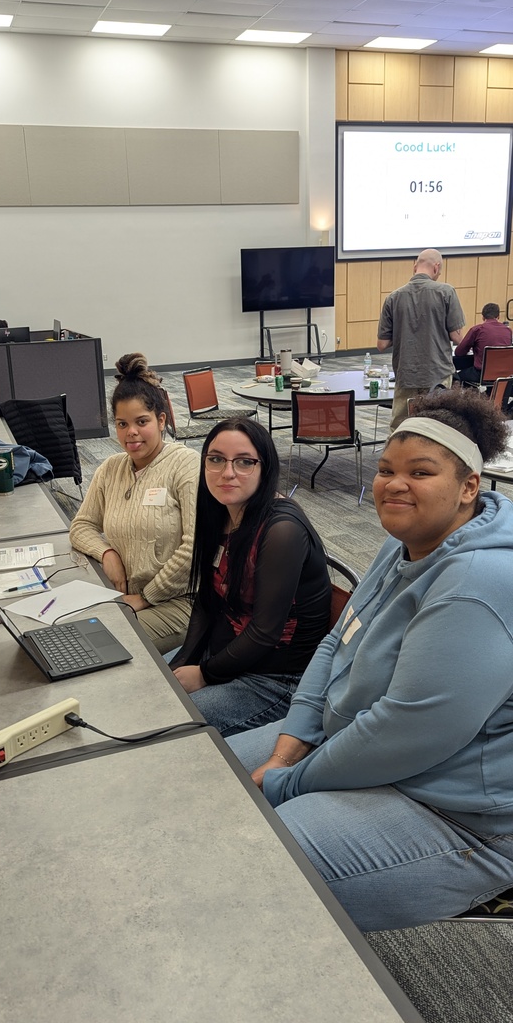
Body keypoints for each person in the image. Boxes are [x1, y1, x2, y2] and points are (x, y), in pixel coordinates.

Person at [227, 388, 513, 932]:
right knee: (208, 780)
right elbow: (338, 642)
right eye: (385, 469)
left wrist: (287, 781)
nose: (394, 485)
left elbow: (408, 729)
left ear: (468, 487)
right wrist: (290, 748)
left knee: (248, 864)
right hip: (359, 740)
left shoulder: (477, 583)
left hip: (457, 811)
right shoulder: (402, 543)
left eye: (421, 472)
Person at [169, 417, 332, 736]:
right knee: (148, 687)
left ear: (264, 467)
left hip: (279, 679)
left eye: (244, 462)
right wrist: (183, 661)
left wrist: (203, 673)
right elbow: (206, 601)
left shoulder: (282, 530)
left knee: (170, 720)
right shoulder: (220, 509)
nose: (227, 473)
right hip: (231, 656)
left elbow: (264, 632)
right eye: (215, 459)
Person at [70, 352, 200, 654]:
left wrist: (148, 596)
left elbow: (195, 547)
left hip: (182, 601)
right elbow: (82, 526)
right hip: (127, 595)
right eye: (122, 424)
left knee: (101, 647)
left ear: (161, 419)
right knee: (74, 630)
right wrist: (107, 553)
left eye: (142, 422)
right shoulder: (112, 468)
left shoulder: (185, 465)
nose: (131, 432)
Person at [377, 248, 465, 431]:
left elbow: (382, 344)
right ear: (436, 267)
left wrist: (405, 331)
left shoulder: (393, 297)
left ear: (415, 266)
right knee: (439, 426)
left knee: (400, 428)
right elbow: (457, 337)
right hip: (438, 373)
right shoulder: (446, 292)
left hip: (406, 374)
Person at [453, 302, 512, 385]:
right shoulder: (508, 331)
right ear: (498, 316)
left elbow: (459, 352)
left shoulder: (477, 330)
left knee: (456, 376)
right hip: (503, 375)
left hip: (481, 374)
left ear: (483, 317)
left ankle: (472, 396)